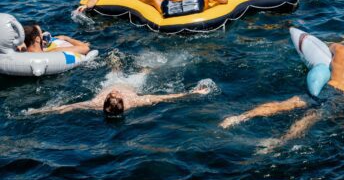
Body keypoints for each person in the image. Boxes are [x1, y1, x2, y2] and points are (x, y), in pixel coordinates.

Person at [219, 24, 344, 131]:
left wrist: (343, 46)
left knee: (287, 104)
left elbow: (327, 47)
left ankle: (240, 117)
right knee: (311, 118)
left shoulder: (339, 49)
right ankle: (279, 143)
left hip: (328, 89)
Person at [28, 64, 211, 117]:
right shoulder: (135, 101)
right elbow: (166, 97)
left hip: (113, 80)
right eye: (116, 95)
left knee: (115, 68)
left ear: (106, 100)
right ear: (123, 101)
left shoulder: (95, 104)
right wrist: (193, 93)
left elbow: (66, 107)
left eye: (111, 95)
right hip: (132, 84)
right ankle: (146, 68)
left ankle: (115, 61)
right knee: (144, 71)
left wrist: (37, 111)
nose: (115, 92)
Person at [21, 22, 91, 55]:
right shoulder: (54, 52)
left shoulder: (21, 52)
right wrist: (66, 38)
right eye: (41, 35)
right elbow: (85, 48)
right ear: (37, 39)